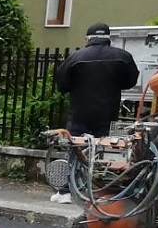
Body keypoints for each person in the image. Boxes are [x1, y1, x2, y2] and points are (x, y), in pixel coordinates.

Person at [50, 21, 139, 203]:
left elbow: (62, 83)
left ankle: (67, 190)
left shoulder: (75, 58)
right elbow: (130, 81)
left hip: (80, 113)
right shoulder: (123, 57)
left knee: (75, 150)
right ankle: (102, 191)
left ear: (88, 38)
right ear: (108, 38)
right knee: (106, 153)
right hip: (108, 113)